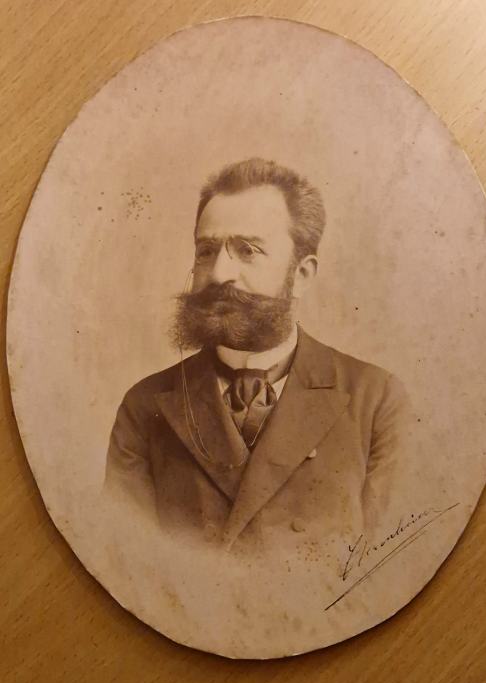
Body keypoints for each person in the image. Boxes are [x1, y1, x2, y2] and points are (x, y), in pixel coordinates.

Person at [105, 158, 412, 552]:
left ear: (302, 274)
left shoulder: (376, 401)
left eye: (247, 250)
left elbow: (387, 565)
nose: (219, 274)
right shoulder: (144, 406)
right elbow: (125, 562)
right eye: (206, 251)